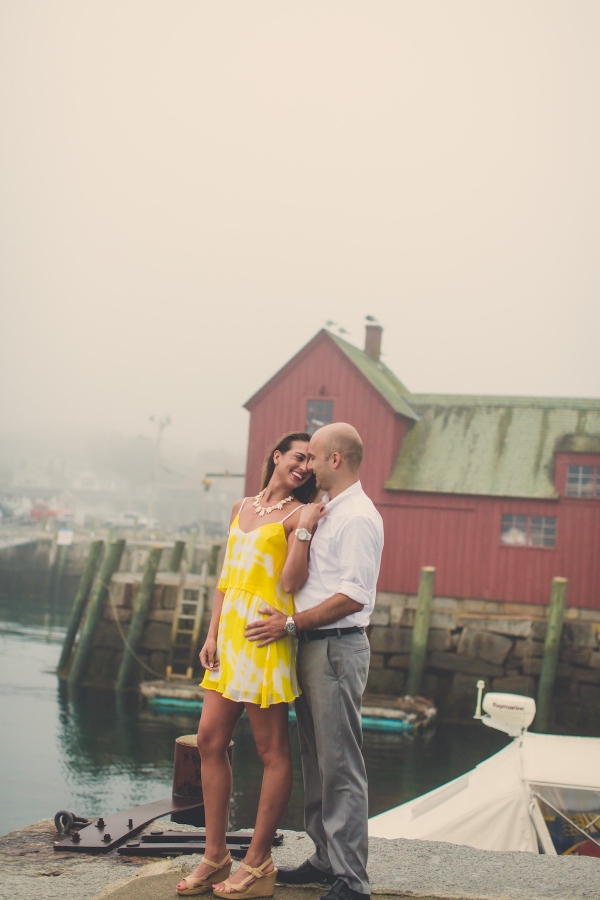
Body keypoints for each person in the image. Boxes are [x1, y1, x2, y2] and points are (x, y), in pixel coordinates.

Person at [176, 431, 324, 898]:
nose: (303, 467)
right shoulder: (241, 508)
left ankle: (258, 861)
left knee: (271, 753)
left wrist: (303, 529)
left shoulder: (301, 513)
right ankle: (215, 855)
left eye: (311, 464)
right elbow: (225, 580)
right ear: (277, 456)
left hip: (264, 638)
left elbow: (293, 579)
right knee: (208, 740)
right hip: (228, 642)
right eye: (298, 457)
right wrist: (211, 632)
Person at [245, 423, 384, 900]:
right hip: (311, 646)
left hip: (336, 646)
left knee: (341, 764)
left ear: (336, 461)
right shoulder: (328, 510)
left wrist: (290, 624)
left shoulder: (358, 517)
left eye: (314, 458)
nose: (307, 467)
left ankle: (351, 880)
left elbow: (353, 596)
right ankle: (326, 857)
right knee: (316, 760)